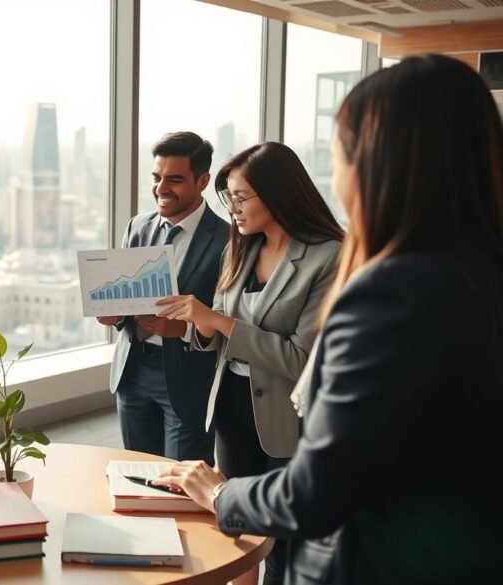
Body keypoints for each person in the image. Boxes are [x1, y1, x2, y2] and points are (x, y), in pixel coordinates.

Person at [153, 54, 503, 584]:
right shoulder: (478, 273)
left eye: (338, 156)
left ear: (378, 164)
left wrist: (219, 492)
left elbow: (318, 491)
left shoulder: (390, 295)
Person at [158, 142, 343, 585]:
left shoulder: (329, 256)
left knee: (280, 535)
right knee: (237, 523)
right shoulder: (240, 247)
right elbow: (218, 338)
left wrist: (219, 322)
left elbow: (303, 360)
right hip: (232, 406)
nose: (232, 208)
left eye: (240, 197)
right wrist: (199, 328)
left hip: (286, 416)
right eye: (228, 198)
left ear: (279, 194)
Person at [99, 132, 229, 463]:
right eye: (156, 177)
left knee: (181, 485)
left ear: (202, 181)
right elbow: (125, 296)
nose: (160, 189)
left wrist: (182, 331)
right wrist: (114, 314)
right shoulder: (138, 227)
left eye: (174, 179)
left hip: (188, 377)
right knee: (139, 477)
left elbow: (230, 319)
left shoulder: (227, 240)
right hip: (133, 369)